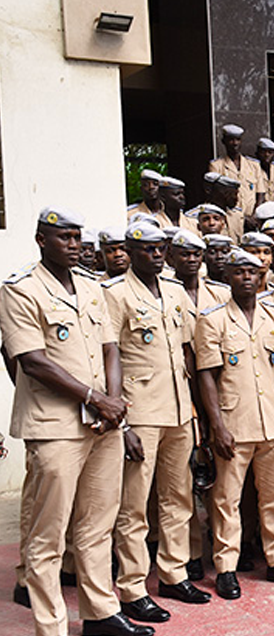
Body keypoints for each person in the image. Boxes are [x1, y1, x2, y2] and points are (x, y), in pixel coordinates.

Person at [1, 207, 152, 636]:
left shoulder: (91, 287)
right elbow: (32, 361)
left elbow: (111, 349)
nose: (73, 244)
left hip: (102, 425)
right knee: (48, 537)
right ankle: (51, 626)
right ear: (40, 240)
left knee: (97, 524)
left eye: (75, 236)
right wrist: (94, 398)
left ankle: (100, 614)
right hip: (55, 427)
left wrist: (114, 402)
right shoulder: (20, 290)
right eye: (62, 237)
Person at [104, 222, 211, 624]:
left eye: (161, 248)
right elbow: (106, 358)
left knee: (179, 499)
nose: (157, 254)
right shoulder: (115, 295)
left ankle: (173, 573)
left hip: (179, 412)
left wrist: (195, 414)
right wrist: (124, 424)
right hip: (140, 414)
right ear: (130, 250)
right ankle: (132, 588)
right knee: (134, 506)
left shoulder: (176, 292)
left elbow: (186, 355)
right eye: (147, 249)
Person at [195, 249, 274, 600]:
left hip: (273, 423)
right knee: (226, 500)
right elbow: (207, 377)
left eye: (253, 272)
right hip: (234, 423)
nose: (247, 278)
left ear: (262, 277)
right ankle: (226, 567)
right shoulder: (211, 319)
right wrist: (217, 427)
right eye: (239, 272)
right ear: (227, 276)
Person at [208, 124, 264, 219]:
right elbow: (216, 197)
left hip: (252, 218)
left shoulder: (253, 165)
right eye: (231, 140)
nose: (235, 143)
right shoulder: (216, 165)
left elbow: (260, 193)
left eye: (238, 139)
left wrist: (254, 216)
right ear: (224, 142)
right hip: (230, 218)